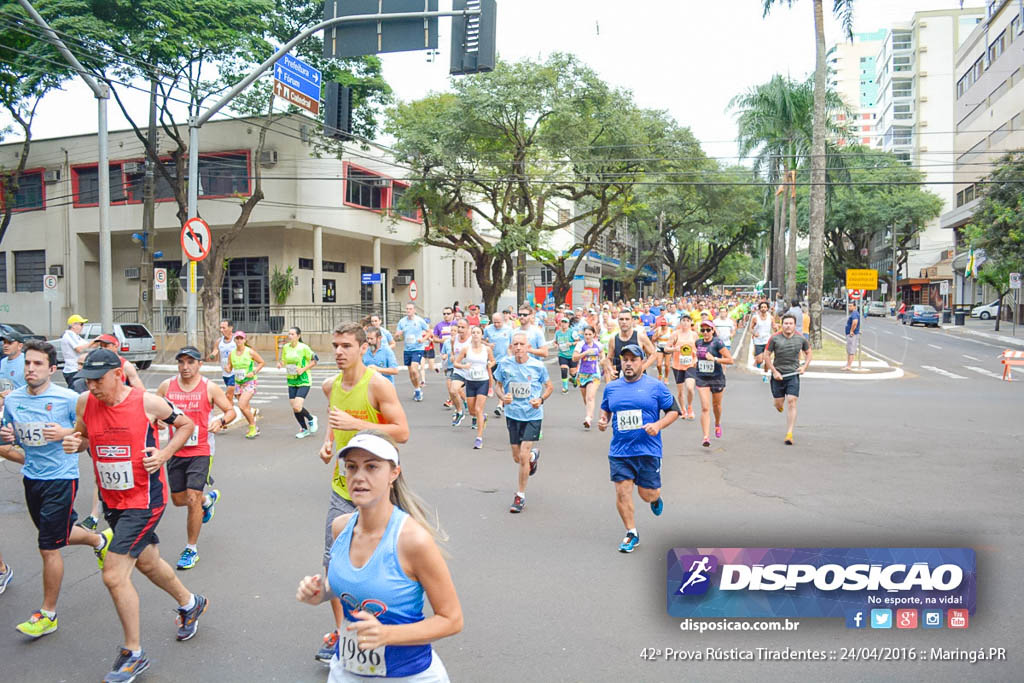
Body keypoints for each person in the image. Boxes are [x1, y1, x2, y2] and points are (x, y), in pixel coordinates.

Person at [62, 348, 208, 682]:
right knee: (147, 562)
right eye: (89, 380)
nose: (93, 385)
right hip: (113, 499)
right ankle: (190, 603)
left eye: (99, 379)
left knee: (114, 574)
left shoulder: (146, 402)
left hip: (144, 500)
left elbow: (186, 424)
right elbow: (83, 436)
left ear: (117, 374)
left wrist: (164, 453)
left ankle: (133, 654)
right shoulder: (85, 401)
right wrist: (76, 443)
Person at [298, 431, 462, 681]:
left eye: (372, 467)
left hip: (408, 675)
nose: (359, 477)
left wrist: (387, 635)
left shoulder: (412, 541)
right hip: (347, 671)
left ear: (393, 474)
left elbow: (451, 620)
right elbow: (347, 584)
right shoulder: (341, 527)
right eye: (351, 467)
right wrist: (320, 592)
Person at [315, 322, 409, 664]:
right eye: (335, 345)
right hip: (343, 489)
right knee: (334, 562)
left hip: (380, 490)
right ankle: (344, 635)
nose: (339, 352)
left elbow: (402, 432)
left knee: (386, 562)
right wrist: (328, 445)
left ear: (362, 348)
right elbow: (333, 421)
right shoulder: (331, 385)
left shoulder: (377, 386)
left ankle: (389, 628)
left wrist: (359, 425)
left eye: (346, 346)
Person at [0, 340, 108, 638]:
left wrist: (67, 434)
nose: (31, 369)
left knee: (48, 547)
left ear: (52, 368)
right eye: (27, 364)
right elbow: (15, 438)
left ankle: (48, 613)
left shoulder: (69, 399)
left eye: (37, 364)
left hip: (61, 478)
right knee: (57, 532)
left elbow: (87, 438)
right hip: (32, 477)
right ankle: (100, 540)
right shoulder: (13, 400)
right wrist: (9, 435)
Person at [155, 346, 236, 570]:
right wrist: (158, 419)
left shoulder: (208, 387)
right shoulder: (167, 386)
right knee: (179, 500)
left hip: (201, 450)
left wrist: (220, 421)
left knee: (192, 498)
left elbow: (231, 411)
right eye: (181, 362)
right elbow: (152, 408)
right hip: (175, 450)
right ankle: (207, 501)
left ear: (199, 364)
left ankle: (191, 549)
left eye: (190, 362)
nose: (185, 367)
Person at [597, 344, 680, 553]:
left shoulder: (656, 386)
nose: (628, 363)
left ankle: (655, 497)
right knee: (622, 491)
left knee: (647, 495)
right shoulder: (612, 387)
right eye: (625, 359)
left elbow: (674, 411)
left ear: (642, 362)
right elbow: (606, 409)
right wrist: (603, 420)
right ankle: (631, 532)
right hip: (620, 451)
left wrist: (658, 425)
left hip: (648, 450)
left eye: (633, 359)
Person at [492, 332, 553, 514]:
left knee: (523, 455)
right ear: (511, 347)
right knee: (517, 457)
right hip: (513, 414)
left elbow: (549, 386)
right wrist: (503, 397)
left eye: (522, 344)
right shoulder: (504, 365)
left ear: (528, 347)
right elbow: (498, 385)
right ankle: (533, 458)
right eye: (515, 344)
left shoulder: (537, 366)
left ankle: (520, 495)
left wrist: (540, 400)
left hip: (533, 415)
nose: (518, 347)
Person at [766, 313, 812, 445]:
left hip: (792, 374)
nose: (788, 326)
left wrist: (804, 367)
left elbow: (809, 353)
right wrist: (774, 371)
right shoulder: (774, 338)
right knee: (778, 404)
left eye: (790, 323)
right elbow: (767, 355)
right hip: (778, 376)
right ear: (782, 325)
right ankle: (778, 405)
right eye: (785, 323)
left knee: (792, 401)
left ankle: (789, 433)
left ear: (794, 325)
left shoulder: (800, 338)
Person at [454, 325, 495, 449]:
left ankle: (479, 438)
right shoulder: (466, 349)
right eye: (474, 332)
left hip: (483, 381)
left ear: (482, 335)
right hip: (470, 381)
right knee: (472, 411)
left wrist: (489, 364)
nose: (476, 334)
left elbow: (493, 361)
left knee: (478, 409)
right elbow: (456, 362)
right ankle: (483, 418)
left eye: (478, 332)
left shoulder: (486, 349)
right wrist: (464, 367)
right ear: (471, 335)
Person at [694, 320, 734, 447]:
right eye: (703, 330)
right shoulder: (698, 343)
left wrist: (715, 359)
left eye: (708, 330)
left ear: (713, 330)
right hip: (702, 377)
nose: (705, 332)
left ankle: (717, 423)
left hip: (716, 377)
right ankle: (706, 437)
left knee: (716, 405)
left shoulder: (717, 343)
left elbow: (730, 360)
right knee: (705, 407)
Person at [278, 327, 319, 439]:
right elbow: (284, 359)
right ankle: (304, 429)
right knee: (295, 407)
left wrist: (303, 369)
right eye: (289, 334)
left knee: (297, 406)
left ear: (298, 336)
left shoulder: (304, 348)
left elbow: (315, 360)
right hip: (291, 380)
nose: (289, 336)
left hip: (303, 380)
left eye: (292, 334)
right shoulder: (286, 347)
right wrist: (280, 364)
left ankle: (311, 418)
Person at [227, 331, 265, 439]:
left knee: (242, 405)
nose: (239, 340)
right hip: (238, 383)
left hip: (249, 382)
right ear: (234, 340)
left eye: (241, 338)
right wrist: (227, 369)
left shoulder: (250, 352)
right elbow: (229, 367)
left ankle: (252, 427)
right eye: (237, 338)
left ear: (244, 340)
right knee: (245, 408)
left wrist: (253, 372)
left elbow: (262, 362)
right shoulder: (232, 353)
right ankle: (254, 426)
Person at [604, 309, 656, 381]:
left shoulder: (640, 336)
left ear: (632, 320)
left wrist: (642, 368)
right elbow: (609, 358)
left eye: (627, 319)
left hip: (639, 378)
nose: (624, 322)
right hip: (622, 378)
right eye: (621, 319)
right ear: (618, 321)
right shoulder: (613, 339)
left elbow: (653, 354)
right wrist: (611, 370)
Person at [571, 326, 604, 429]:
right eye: (586, 334)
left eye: (590, 334)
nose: (588, 336)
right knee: (586, 398)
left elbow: (603, 355)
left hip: (594, 374)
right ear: (583, 335)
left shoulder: (598, 345)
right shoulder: (580, 345)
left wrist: (603, 361)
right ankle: (589, 414)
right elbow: (574, 358)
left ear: (594, 335)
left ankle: (588, 418)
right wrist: (585, 353)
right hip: (582, 374)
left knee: (590, 396)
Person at [396, 303, 431, 402]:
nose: (408, 311)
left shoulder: (420, 320)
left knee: (414, 369)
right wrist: (398, 335)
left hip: (418, 348)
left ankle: (418, 390)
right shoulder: (402, 322)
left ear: (414, 310)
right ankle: (417, 389)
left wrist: (423, 339)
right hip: (407, 349)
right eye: (407, 309)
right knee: (411, 372)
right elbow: (396, 335)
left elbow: (429, 332)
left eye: (410, 309)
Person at [666, 315, 698, 421]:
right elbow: (666, 348)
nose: (685, 323)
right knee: (680, 391)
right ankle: (683, 410)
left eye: (687, 321)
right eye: (683, 321)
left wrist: (695, 352)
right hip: (678, 365)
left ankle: (690, 407)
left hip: (691, 364)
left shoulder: (694, 335)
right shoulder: (675, 334)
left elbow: (699, 349)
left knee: (690, 387)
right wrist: (675, 349)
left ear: (690, 323)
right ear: (680, 322)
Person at [483, 313, 513, 417]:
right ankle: (503, 402)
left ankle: (500, 405)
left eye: (498, 322)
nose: (496, 324)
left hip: (505, 360)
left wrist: (512, 357)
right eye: (494, 322)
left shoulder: (509, 330)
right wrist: (488, 344)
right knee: (498, 382)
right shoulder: (488, 329)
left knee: (501, 382)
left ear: (503, 320)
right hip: (493, 360)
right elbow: (482, 339)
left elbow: (512, 344)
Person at [208, 319, 238, 410]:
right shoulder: (219, 341)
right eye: (220, 328)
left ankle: (229, 413)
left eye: (224, 328)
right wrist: (213, 355)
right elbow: (216, 350)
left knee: (228, 395)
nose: (221, 330)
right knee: (235, 395)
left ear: (230, 328)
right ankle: (240, 410)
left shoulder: (236, 340)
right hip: (225, 373)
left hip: (235, 372)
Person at [447, 319, 472, 427]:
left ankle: (478, 417)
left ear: (468, 328)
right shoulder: (454, 339)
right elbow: (453, 351)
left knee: (473, 404)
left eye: (463, 327)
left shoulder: (472, 340)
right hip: (459, 370)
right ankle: (459, 412)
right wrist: (452, 356)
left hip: (472, 372)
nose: (460, 330)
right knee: (453, 391)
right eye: (459, 327)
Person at [60, 314, 91, 388]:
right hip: (72, 370)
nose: (82, 327)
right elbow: (79, 349)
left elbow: (87, 345)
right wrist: (93, 342)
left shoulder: (76, 336)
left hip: (77, 369)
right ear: (73, 325)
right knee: (76, 392)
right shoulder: (69, 335)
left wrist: (97, 342)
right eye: (81, 324)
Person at [554, 316, 580, 393]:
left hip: (572, 355)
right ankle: (565, 387)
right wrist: (555, 345)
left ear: (568, 324)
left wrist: (571, 343)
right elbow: (555, 341)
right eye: (562, 322)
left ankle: (575, 379)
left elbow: (578, 341)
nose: (563, 324)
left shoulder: (572, 332)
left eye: (565, 322)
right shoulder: (558, 333)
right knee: (564, 369)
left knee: (572, 372)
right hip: (562, 354)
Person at [1, 330, 27, 403]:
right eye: (4, 342)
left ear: (20, 346)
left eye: (10, 343)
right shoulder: (3, 362)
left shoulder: (27, 361)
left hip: (21, 402)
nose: (5, 345)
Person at [749, 301, 775, 373]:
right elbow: (750, 328)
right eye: (762, 307)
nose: (763, 309)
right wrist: (754, 333)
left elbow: (774, 327)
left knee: (766, 358)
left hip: (767, 340)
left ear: (767, 308)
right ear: (759, 309)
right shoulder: (755, 318)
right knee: (760, 360)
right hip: (758, 341)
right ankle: (756, 363)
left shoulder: (771, 318)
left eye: (765, 307)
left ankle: (765, 373)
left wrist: (776, 327)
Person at [651, 318, 673, 383]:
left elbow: (674, 339)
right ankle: (660, 374)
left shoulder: (670, 330)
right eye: (662, 325)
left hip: (667, 348)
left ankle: (666, 377)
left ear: (667, 325)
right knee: (658, 364)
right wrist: (658, 336)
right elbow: (653, 339)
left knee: (667, 364)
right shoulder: (658, 330)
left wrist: (672, 346)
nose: (663, 326)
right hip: (659, 348)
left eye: (664, 325)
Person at [843, 302, 860, 371]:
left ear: (855, 307)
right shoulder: (853, 313)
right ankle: (848, 364)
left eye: (851, 306)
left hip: (852, 334)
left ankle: (849, 365)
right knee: (849, 349)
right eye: (849, 306)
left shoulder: (855, 314)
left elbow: (855, 322)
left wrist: (851, 331)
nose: (849, 307)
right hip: (850, 334)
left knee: (851, 350)